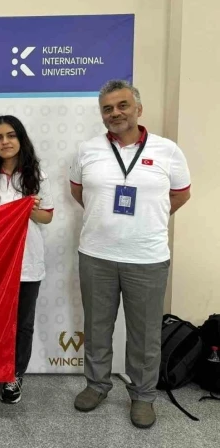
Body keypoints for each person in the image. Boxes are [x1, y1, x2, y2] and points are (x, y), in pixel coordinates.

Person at [69, 80, 191, 429]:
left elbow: (180, 195)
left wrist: (146, 221)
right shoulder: (87, 150)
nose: (115, 113)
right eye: (107, 108)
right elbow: (79, 192)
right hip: (96, 255)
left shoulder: (168, 150)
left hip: (147, 258)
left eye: (122, 105)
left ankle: (143, 395)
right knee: (97, 327)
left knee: (145, 334)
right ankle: (97, 385)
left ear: (138, 108)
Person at [0, 115, 54, 405]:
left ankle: (14, 374)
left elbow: (47, 217)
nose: (5, 142)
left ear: (21, 139)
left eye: (11, 135)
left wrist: (27, 209)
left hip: (27, 261)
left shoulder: (37, 176)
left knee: (22, 323)